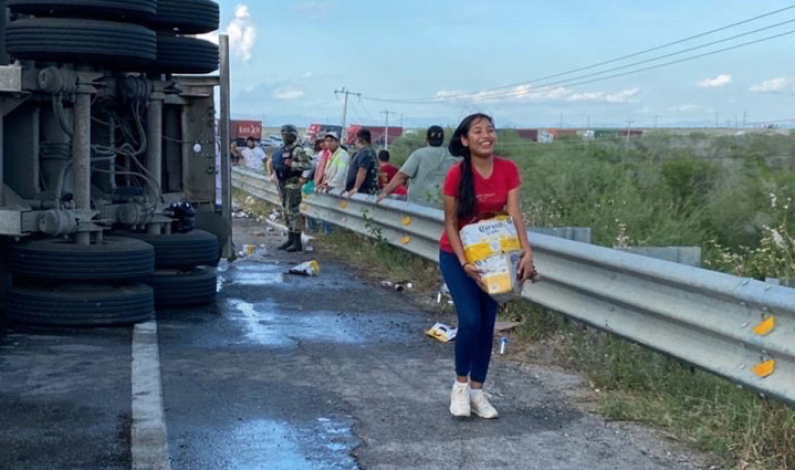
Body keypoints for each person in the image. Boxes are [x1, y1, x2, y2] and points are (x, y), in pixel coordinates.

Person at [440, 113, 535, 419]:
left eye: (490, 130)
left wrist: (526, 254)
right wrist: (466, 263)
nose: (486, 135)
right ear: (465, 140)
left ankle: (479, 392)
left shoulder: (508, 169)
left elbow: (515, 215)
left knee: (486, 323)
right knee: (469, 319)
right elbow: (451, 223)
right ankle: (460, 386)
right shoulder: (457, 174)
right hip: (457, 256)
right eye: (478, 131)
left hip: (494, 257)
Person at [377, 125, 460, 208]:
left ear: (427, 140)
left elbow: (402, 176)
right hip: (442, 206)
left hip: (418, 206)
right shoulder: (452, 156)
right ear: (442, 140)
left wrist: (385, 193)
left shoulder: (419, 154)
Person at [274, 124, 312, 252]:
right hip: (284, 183)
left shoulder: (297, 150)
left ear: (293, 136)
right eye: (283, 135)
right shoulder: (284, 149)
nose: (285, 137)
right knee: (286, 212)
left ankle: (297, 242)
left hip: (293, 184)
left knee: (293, 212)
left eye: (287, 135)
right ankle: (290, 239)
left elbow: (307, 165)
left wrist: (293, 164)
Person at [343, 129, 379, 197]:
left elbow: (362, 171)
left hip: (362, 192)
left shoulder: (365, 152)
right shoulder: (370, 151)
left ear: (359, 139)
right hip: (364, 191)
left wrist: (356, 188)